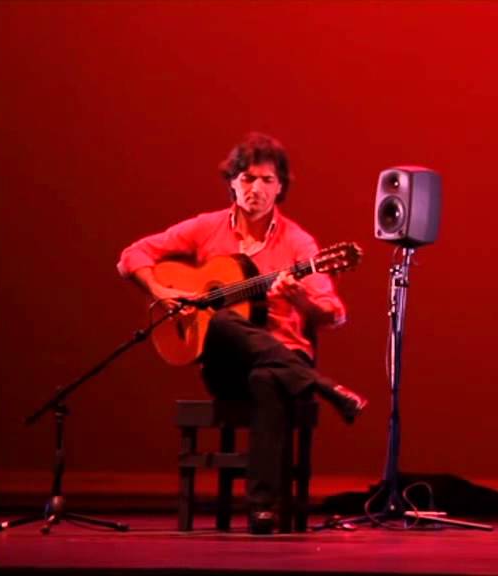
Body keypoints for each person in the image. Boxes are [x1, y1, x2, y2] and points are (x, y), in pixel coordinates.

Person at [117, 133, 367, 534]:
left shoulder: (300, 243)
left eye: (268, 180)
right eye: (248, 179)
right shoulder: (205, 228)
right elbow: (132, 256)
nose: (256, 189)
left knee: (268, 377)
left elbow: (333, 314)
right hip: (225, 364)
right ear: (232, 181)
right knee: (219, 320)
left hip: (285, 358)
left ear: (281, 187)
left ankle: (262, 511)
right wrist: (162, 292)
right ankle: (325, 388)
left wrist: (301, 299)